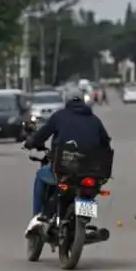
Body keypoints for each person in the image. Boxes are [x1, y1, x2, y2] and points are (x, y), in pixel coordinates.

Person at [22, 95, 112, 237]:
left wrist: (30, 142)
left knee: (41, 176)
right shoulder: (95, 120)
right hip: (91, 172)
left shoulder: (59, 116)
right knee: (89, 190)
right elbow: (106, 143)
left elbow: (42, 135)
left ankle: (38, 219)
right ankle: (84, 220)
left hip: (64, 169)